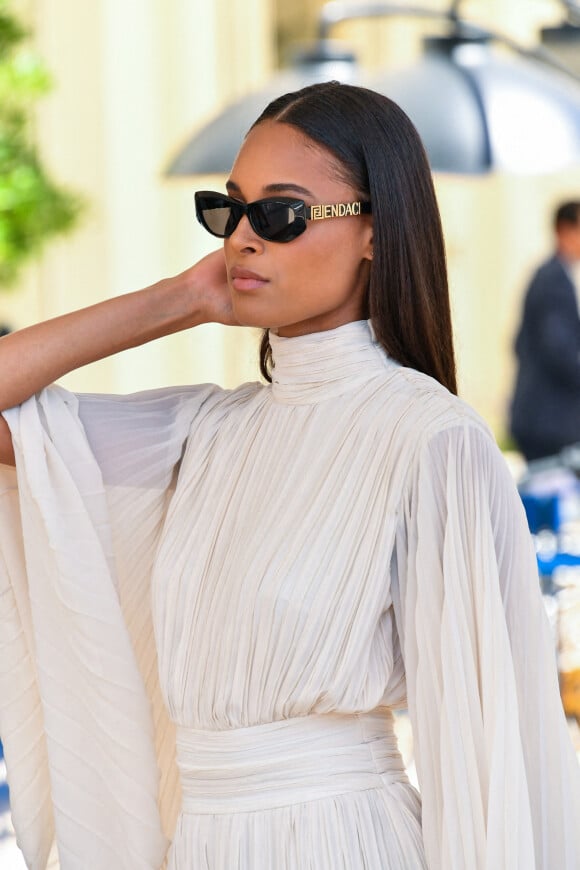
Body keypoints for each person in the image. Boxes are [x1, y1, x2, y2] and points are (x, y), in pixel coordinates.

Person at [0, 82, 578, 870]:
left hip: (345, 843)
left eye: (280, 214)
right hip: (201, 843)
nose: (243, 239)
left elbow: (484, 754)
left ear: (375, 231)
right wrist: (177, 299)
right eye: (227, 211)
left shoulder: (430, 438)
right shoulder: (204, 434)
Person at [510, 200, 580, 462]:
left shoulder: (552, 275)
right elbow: (560, 352)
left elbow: (518, 343)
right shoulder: (554, 281)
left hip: (541, 417)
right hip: (548, 422)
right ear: (564, 230)